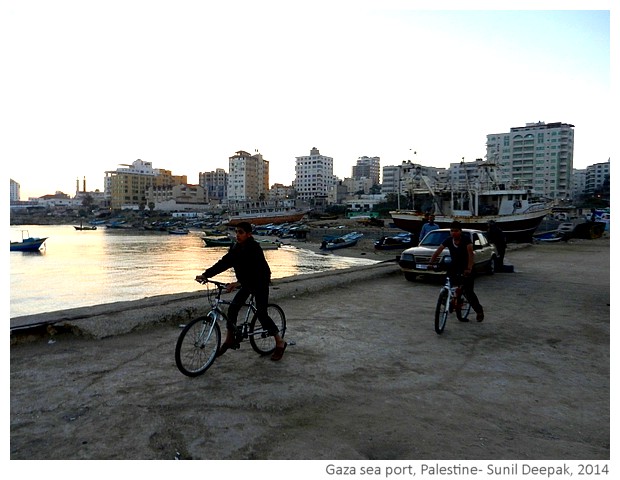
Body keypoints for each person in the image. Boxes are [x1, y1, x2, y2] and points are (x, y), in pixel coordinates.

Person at [195, 221, 287, 361]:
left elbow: (257, 272)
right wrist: (206, 275)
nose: (237, 235)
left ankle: (280, 342)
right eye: (236, 232)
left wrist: (237, 283)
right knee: (232, 309)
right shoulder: (236, 247)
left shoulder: (254, 248)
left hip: (260, 281)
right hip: (246, 283)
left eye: (240, 232)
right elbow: (224, 262)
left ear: (249, 234)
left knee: (262, 314)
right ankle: (229, 339)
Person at [429, 221, 484, 322]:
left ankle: (479, 311)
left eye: (456, 231)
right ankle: (447, 299)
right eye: (452, 231)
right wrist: (431, 263)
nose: (454, 233)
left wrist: (469, 268)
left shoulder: (466, 240)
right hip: (454, 266)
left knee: (468, 292)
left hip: (467, 266)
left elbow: (471, 255)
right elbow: (438, 251)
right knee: (447, 281)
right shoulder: (449, 240)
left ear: (460, 231)